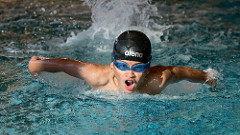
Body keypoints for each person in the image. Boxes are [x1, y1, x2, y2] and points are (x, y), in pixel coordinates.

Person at [28, 30, 216, 95]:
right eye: (123, 66)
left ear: (148, 68)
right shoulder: (97, 76)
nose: (130, 73)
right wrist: (35, 65)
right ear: (112, 64)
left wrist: (210, 78)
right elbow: (64, 64)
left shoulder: (158, 79)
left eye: (139, 67)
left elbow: (182, 72)